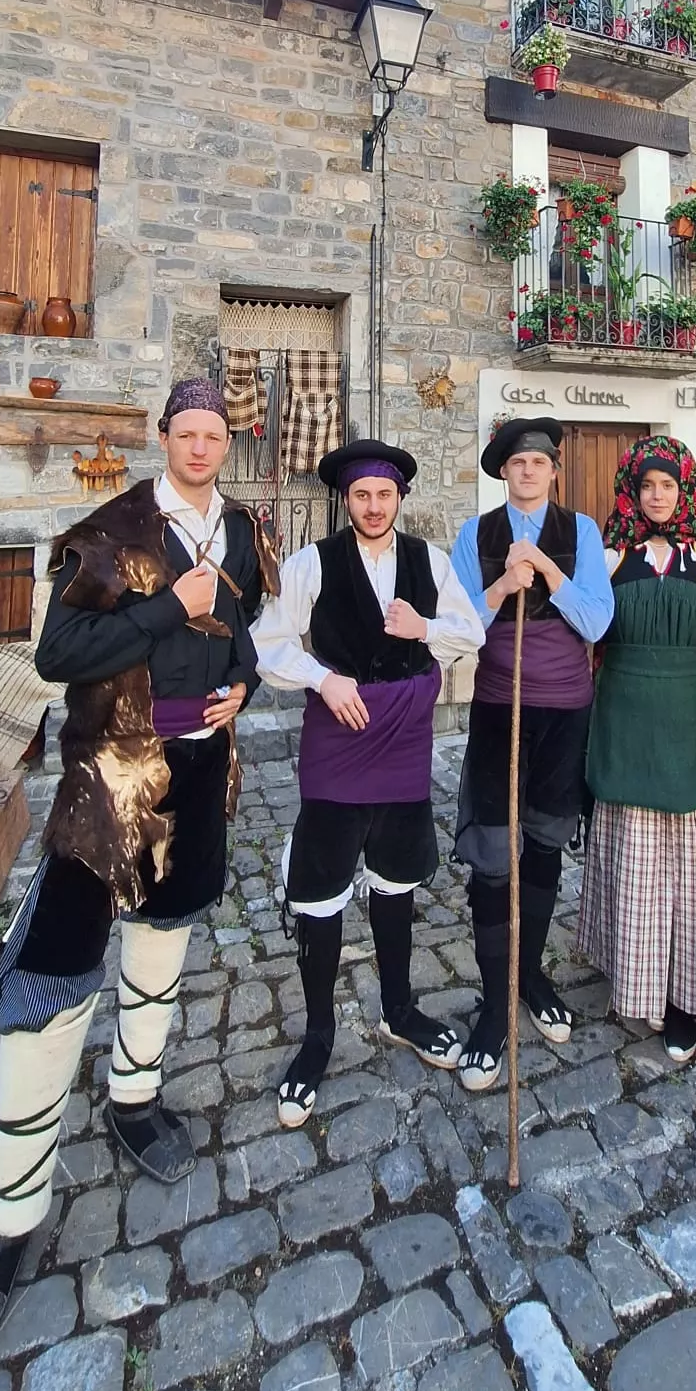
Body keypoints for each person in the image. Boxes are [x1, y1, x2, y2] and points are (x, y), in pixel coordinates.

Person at [0, 378, 273, 1369]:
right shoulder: (106, 529)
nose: (201, 447)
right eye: (187, 433)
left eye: (215, 434)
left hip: (203, 765)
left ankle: (135, 1097)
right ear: (163, 437)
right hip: (108, 772)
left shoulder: (244, 529)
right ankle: (6, 1223)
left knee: (167, 932)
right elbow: (58, 651)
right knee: (53, 972)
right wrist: (172, 603)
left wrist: (241, 678)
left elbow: (242, 629)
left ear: (226, 441)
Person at [251, 438, 485, 1127]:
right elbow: (269, 643)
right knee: (321, 886)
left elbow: (467, 633)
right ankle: (319, 1034)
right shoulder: (311, 563)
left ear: (400, 500)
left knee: (395, 874)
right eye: (361, 496)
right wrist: (324, 679)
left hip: (406, 740)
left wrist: (425, 625)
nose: (374, 506)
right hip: (339, 735)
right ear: (345, 501)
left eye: (384, 495)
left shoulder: (428, 562)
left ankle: (400, 1010)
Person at [450, 416, 615, 1092]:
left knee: (544, 843)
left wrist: (546, 571)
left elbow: (598, 621)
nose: (528, 471)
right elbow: (457, 625)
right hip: (498, 707)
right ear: (503, 471)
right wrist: (500, 588)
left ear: (553, 471)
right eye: (516, 461)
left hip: (564, 708)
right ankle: (493, 1007)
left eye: (539, 462)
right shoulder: (475, 534)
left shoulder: (582, 533)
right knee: (495, 853)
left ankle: (530, 974)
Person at [576, 436, 696, 1065]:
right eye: (647, 487)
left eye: (668, 485)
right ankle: (635, 979)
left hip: (690, 719)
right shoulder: (612, 558)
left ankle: (686, 996)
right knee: (632, 846)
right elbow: (583, 626)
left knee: (688, 858)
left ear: (685, 489)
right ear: (633, 494)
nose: (657, 496)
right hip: (626, 716)